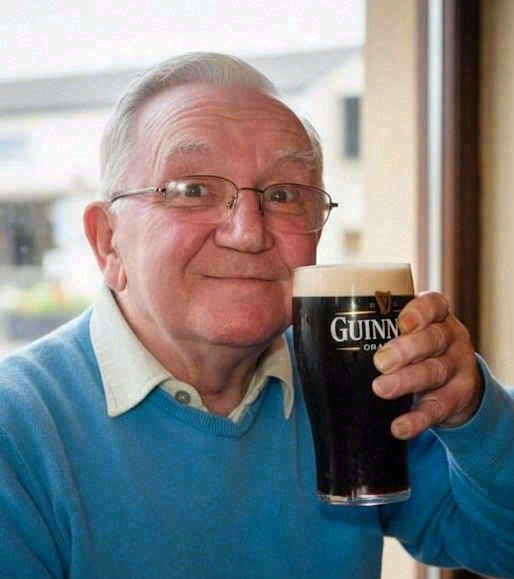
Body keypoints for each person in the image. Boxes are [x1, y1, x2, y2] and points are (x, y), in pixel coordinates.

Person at [0, 52, 512, 579]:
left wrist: (476, 412)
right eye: (193, 190)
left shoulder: (346, 380)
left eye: (284, 195)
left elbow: (503, 544)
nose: (248, 233)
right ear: (108, 241)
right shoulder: (18, 428)